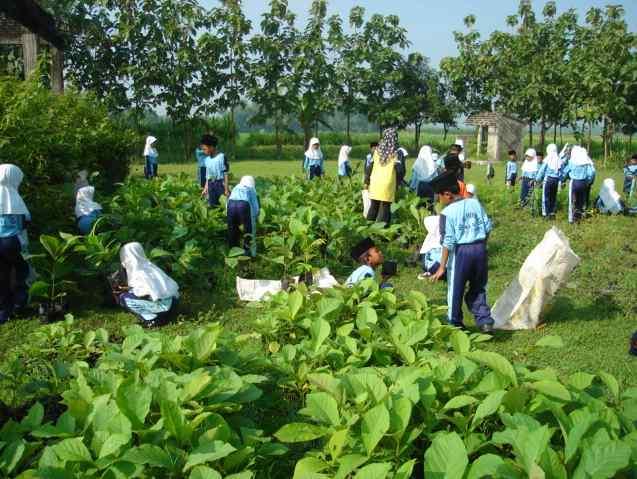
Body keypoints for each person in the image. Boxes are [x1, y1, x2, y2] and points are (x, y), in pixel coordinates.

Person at [430, 170, 495, 333]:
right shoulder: (474, 203)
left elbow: (448, 241)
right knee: (478, 287)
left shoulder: (447, 213)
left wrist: (442, 267)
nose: (439, 200)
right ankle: (484, 320)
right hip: (480, 248)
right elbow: (487, 227)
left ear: (447, 194)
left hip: (461, 253)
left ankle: (455, 323)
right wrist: (481, 245)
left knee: (455, 289)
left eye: (439, 196)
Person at [112, 242, 179, 327]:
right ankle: (166, 316)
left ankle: (152, 320)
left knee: (124, 298)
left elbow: (143, 294)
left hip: (163, 306)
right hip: (173, 303)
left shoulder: (138, 273)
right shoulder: (150, 267)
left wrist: (125, 291)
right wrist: (128, 288)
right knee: (129, 295)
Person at [0, 164, 31, 324]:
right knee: (21, 271)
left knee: (2, 276)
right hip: (10, 241)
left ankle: (4, 311)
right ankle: (20, 304)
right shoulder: (13, 197)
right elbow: (24, 222)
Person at [364, 127, 405, 226]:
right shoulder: (397, 152)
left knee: (374, 205)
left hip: (375, 182)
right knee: (385, 207)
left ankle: (368, 228)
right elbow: (400, 170)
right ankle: (382, 231)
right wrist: (399, 182)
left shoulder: (377, 151)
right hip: (388, 182)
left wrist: (366, 181)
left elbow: (370, 167)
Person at [560, 145, 595, 224]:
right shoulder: (585, 163)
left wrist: (562, 179)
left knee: (572, 201)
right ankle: (578, 218)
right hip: (583, 183)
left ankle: (571, 219)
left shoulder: (572, 162)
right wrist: (588, 181)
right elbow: (591, 172)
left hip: (574, 183)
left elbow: (566, 171)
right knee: (580, 201)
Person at [227, 176, 260, 257]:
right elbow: (256, 208)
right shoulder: (251, 189)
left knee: (232, 231)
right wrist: (255, 219)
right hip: (243, 205)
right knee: (249, 232)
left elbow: (227, 203)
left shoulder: (235, 188)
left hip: (230, 205)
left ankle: (233, 254)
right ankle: (250, 254)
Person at [201, 134, 229, 207]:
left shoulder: (221, 157)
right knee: (212, 205)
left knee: (223, 205)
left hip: (220, 185)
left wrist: (226, 189)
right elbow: (208, 176)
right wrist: (205, 188)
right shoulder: (206, 160)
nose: (203, 151)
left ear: (211, 147)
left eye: (205, 149)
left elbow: (225, 174)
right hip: (211, 185)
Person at [536, 143, 562, 218]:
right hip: (556, 180)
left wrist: (537, 179)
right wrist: (561, 181)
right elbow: (561, 172)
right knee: (553, 197)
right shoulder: (558, 159)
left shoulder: (547, 159)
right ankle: (552, 213)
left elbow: (542, 170)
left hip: (548, 180)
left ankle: (545, 214)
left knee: (546, 197)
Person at [409, 145, 438, 210]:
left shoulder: (417, 163)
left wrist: (411, 187)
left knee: (419, 206)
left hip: (420, 186)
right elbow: (436, 177)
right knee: (429, 206)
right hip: (431, 187)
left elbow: (414, 178)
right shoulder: (433, 164)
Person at [418, 215, 444, 280]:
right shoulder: (445, 237)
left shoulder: (430, 238)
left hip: (430, 267)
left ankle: (431, 272)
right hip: (442, 267)